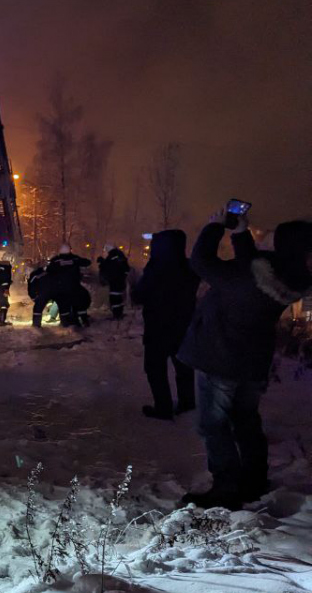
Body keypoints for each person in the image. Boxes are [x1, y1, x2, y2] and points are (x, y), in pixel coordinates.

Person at [176, 211, 312, 509]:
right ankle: (253, 479)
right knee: (246, 419)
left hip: (222, 359)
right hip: (253, 362)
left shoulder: (246, 278)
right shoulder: (290, 277)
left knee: (214, 425)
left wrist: (213, 226)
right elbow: (256, 267)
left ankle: (226, 487)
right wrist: (240, 234)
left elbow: (200, 262)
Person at [132, 230, 200, 421]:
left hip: (157, 328)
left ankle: (163, 407)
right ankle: (187, 403)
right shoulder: (189, 267)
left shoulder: (155, 268)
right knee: (184, 367)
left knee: (155, 368)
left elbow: (139, 296)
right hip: (183, 327)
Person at [47, 245, 92, 326]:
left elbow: (49, 271)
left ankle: (66, 323)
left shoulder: (56, 260)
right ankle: (82, 320)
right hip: (74, 286)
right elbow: (87, 262)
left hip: (61, 288)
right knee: (78, 302)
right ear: (69, 250)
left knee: (64, 306)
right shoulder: (74, 258)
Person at [98, 246, 131, 320]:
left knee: (114, 298)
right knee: (118, 297)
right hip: (120, 280)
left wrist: (102, 262)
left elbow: (108, 266)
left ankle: (116, 315)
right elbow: (126, 268)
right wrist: (123, 276)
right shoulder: (120, 255)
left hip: (115, 281)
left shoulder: (111, 256)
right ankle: (119, 313)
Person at [0, 260, 13, 326]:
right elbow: (5, 279)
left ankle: (0, 321)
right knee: (4, 305)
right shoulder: (5, 268)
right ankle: (1, 321)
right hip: (2, 289)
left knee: (0, 305)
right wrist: (6, 288)